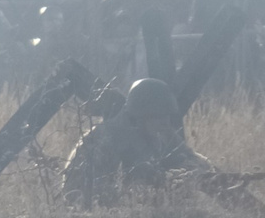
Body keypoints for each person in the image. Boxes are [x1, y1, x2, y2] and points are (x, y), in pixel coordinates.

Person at [61, 78, 224, 205]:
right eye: (159, 117)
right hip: (95, 212)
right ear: (139, 117)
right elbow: (82, 192)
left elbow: (190, 158)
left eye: (167, 117)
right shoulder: (105, 140)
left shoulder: (158, 131)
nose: (166, 124)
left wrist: (201, 175)